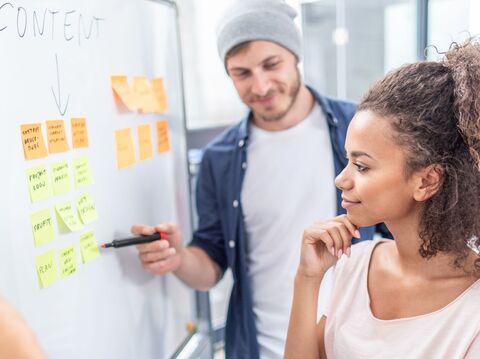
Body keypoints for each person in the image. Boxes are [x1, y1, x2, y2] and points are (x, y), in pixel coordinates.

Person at [133, 1, 387, 357]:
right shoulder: (218, 160)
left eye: (271, 65)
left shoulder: (359, 129)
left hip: (355, 344)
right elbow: (211, 263)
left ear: (295, 55)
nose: (261, 85)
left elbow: (399, 235)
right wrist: (178, 258)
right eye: (242, 73)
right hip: (259, 347)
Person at [285, 38, 480, 359]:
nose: (340, 179)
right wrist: (307, 279)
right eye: (347, 161)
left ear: (427, 180)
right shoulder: (355, 263)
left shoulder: (471, 310)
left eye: (361, 166)